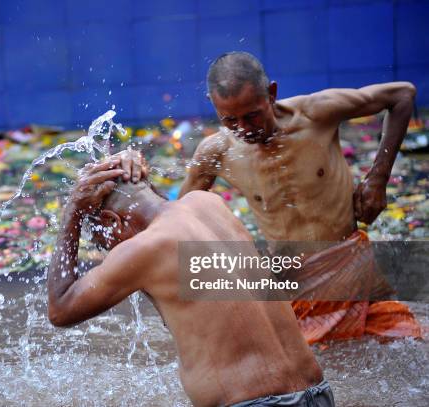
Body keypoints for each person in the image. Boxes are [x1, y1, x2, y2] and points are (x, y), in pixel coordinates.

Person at [117, 51, 420, 344]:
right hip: (291, 288)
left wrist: (377, 178)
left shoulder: (317, 113)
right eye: (230, 121)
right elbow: (174, 220)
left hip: (352, 272)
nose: (244, 129)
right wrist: (136, 171)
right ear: (214, 107)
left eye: (252, 116)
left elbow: (402, 95)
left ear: (271, 94)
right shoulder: (216, 152)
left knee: (408, 345)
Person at [47, 157, 334, 407]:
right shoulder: (208, 203)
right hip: (318, 394)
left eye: (102, 242)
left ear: (111, 222)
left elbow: (61, 309)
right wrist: (130, 169)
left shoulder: (144, 249)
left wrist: (72, 210)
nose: (109, 250)